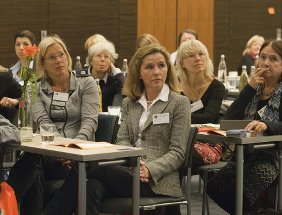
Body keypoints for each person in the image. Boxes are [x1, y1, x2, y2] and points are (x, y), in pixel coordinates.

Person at [41, 44, 191, 215]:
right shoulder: (130, 103)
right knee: (90, 187)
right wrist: (133, 160)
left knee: (87, 164)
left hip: (156, 179)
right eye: (149, 67)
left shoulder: (179, 103)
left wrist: (149, 169)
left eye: (161, 66)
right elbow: (122, 140)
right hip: (126, 169)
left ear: (168, 70)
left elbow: (178, 152)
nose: (157, 71)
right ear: (139, 73)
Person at [207, 40, 282, 214]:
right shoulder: (255, 89)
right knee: (215, 185)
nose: (266, 63)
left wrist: (266, 125)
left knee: (244, 188)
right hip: (253, 154)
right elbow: (229, 118)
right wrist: (249, 88)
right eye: (263, 57)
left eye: (273, 59)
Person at [7, 36, 99, 215]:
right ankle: (6, 203)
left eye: (61, 54)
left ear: (67, 56)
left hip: (81, 153)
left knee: (38, 172)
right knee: (33, 159)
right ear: (42, 63)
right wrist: (61, 150)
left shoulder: (86, 83)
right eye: (52, 57)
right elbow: (44, 122)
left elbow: (90, 122)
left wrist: (73, 149)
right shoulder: (33, 88)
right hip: (50, 153)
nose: (58, 60)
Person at [176, 39, 225, 172]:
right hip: (178, 139)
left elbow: (209, 117)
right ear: (182, 63)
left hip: (208, 142)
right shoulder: (175, 86)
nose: (198, 59)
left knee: (176, 156)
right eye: (191, 56)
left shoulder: (217, 87)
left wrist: (178, 118)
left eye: (201, 54)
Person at [87, 41, 124, 111]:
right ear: (91, 60)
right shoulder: (82, 78)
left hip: (105, 119)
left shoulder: (113, 81)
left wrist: (115, 71)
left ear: (111, 61)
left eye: (106, 57)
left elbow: (127, 94)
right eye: (98, 56)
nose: (103, 59)